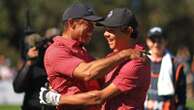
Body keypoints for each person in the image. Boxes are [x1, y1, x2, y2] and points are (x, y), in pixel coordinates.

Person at [40, 8, 151, 110]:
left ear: (128, 30)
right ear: (71, 24)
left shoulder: (137, 61)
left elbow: (98, 97)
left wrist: (56, 98)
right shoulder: (116, 56)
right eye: (88, 24)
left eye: (111, 30)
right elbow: (92, 73)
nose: (105, 34)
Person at [144, 27, 186, 110]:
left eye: (159, 40)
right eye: (153, 40)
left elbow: (181, 98)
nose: (156, 44)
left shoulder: (176, 65)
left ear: (165, 42)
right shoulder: (140, 62)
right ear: (147, 42)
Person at [13, 33, 55, 110]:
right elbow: (18, 88)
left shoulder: (55, 64)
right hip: (32, 106)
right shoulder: (30, 66)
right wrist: (29, 63)